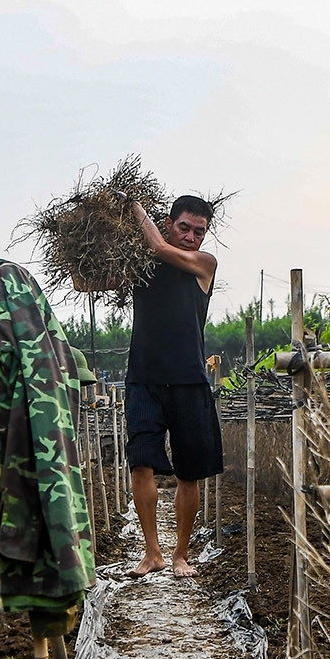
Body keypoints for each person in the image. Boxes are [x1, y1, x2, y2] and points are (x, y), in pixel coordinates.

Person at [75, 194, 222, 577]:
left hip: (190, 380)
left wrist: (133, 207)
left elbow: (157, 244)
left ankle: (181, 555)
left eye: (198, 232)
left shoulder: (204, 267)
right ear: (170, 222)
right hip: (144, 379)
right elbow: (82, 282)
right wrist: (84, 239)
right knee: (141, 464)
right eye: (184, 227)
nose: (190, 237)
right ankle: (153, 552)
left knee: (188, 474)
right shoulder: (141, 269)